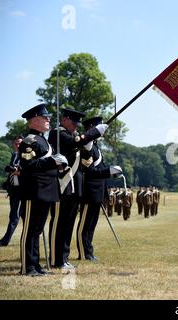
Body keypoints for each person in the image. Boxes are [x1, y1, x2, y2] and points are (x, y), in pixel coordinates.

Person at [47, 108, 108, 269]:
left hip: (74, 187)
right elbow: (72, 143)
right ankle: (55, 259)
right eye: (74, 123)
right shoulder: (57, 133)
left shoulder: (73, 135)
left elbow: (84, 158)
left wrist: (88, 146)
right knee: (59, 223)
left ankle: (63, 258)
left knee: (68, 224)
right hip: (63, 185)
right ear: (65, 119)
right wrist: (93, 132)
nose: (75, 126)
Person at [18, 103, 67, 276]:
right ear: (34, 121)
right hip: (34, 190)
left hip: (47, 190)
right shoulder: (29, 141)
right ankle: (27, 267)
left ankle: (35, 265)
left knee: (37, 230)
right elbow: (28, 166)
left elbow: (48, 166)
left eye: (48, 117)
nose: (48, 120)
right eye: (44, 117)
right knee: (30, 231)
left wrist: (60, 166)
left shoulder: (45, 141)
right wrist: (52, 161)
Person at [77, 116, 123, 262]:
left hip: (98, 192)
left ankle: (89, 252)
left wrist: (111, 173)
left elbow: (98, 170)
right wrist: (107, 171)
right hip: (88, 192)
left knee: (91, 225)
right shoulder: (87, 146)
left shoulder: (95, 146)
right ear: (92, 127)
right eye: (99, 126)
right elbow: (88, 171)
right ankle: (84, 253)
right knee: (84, 225)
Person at [0, 136, 24, 247]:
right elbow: (11, 172)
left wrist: (19, 173)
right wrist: (8, 183)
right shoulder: (14, 155)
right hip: (14, 190)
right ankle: (28, 238)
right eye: (16, 143)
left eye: (20, 143)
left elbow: (29, 172)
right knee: (22, 217)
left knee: (14, 217)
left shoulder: (26, 156)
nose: (18, 145)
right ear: (13, 144)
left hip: (22, 191)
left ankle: (5, 241)